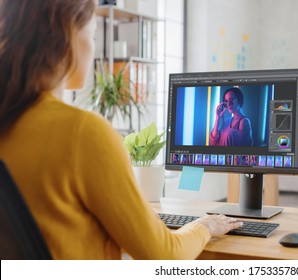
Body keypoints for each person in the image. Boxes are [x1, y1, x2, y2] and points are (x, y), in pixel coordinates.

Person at [0, 0, 242, 260]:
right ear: (69, 34)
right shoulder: (81, 133)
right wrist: (203, 226)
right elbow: (164, 255)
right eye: (93, 33)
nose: (92, 47)